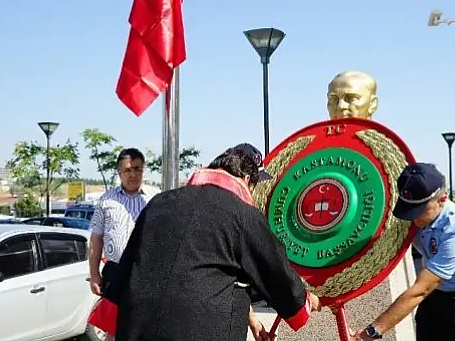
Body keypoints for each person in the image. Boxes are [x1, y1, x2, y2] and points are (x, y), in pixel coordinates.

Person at [107, 143, 321, 341]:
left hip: (136, 331)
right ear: (246, 179)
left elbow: (125, 272)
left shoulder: (159, 203)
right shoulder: (241, 214)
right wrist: (304, 301)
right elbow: (275, 273)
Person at [350, 163, 455, 341]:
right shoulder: (414, 215)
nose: (412, 217)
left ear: (442, 200)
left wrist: (370, 333)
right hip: (437, 294)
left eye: (420, 210)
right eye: (408, 209)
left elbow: (421, 289)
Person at [88, 148, 159, 341]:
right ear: (119, 172)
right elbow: (96, 238)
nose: (133, 174)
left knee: (144, 326)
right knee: (113, 327)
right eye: (128, 170)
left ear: (143, 170)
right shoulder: (106, 200)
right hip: (115, 272)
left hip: (145, 272)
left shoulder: (155, 198)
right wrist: (94, 274)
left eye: (137, 169)